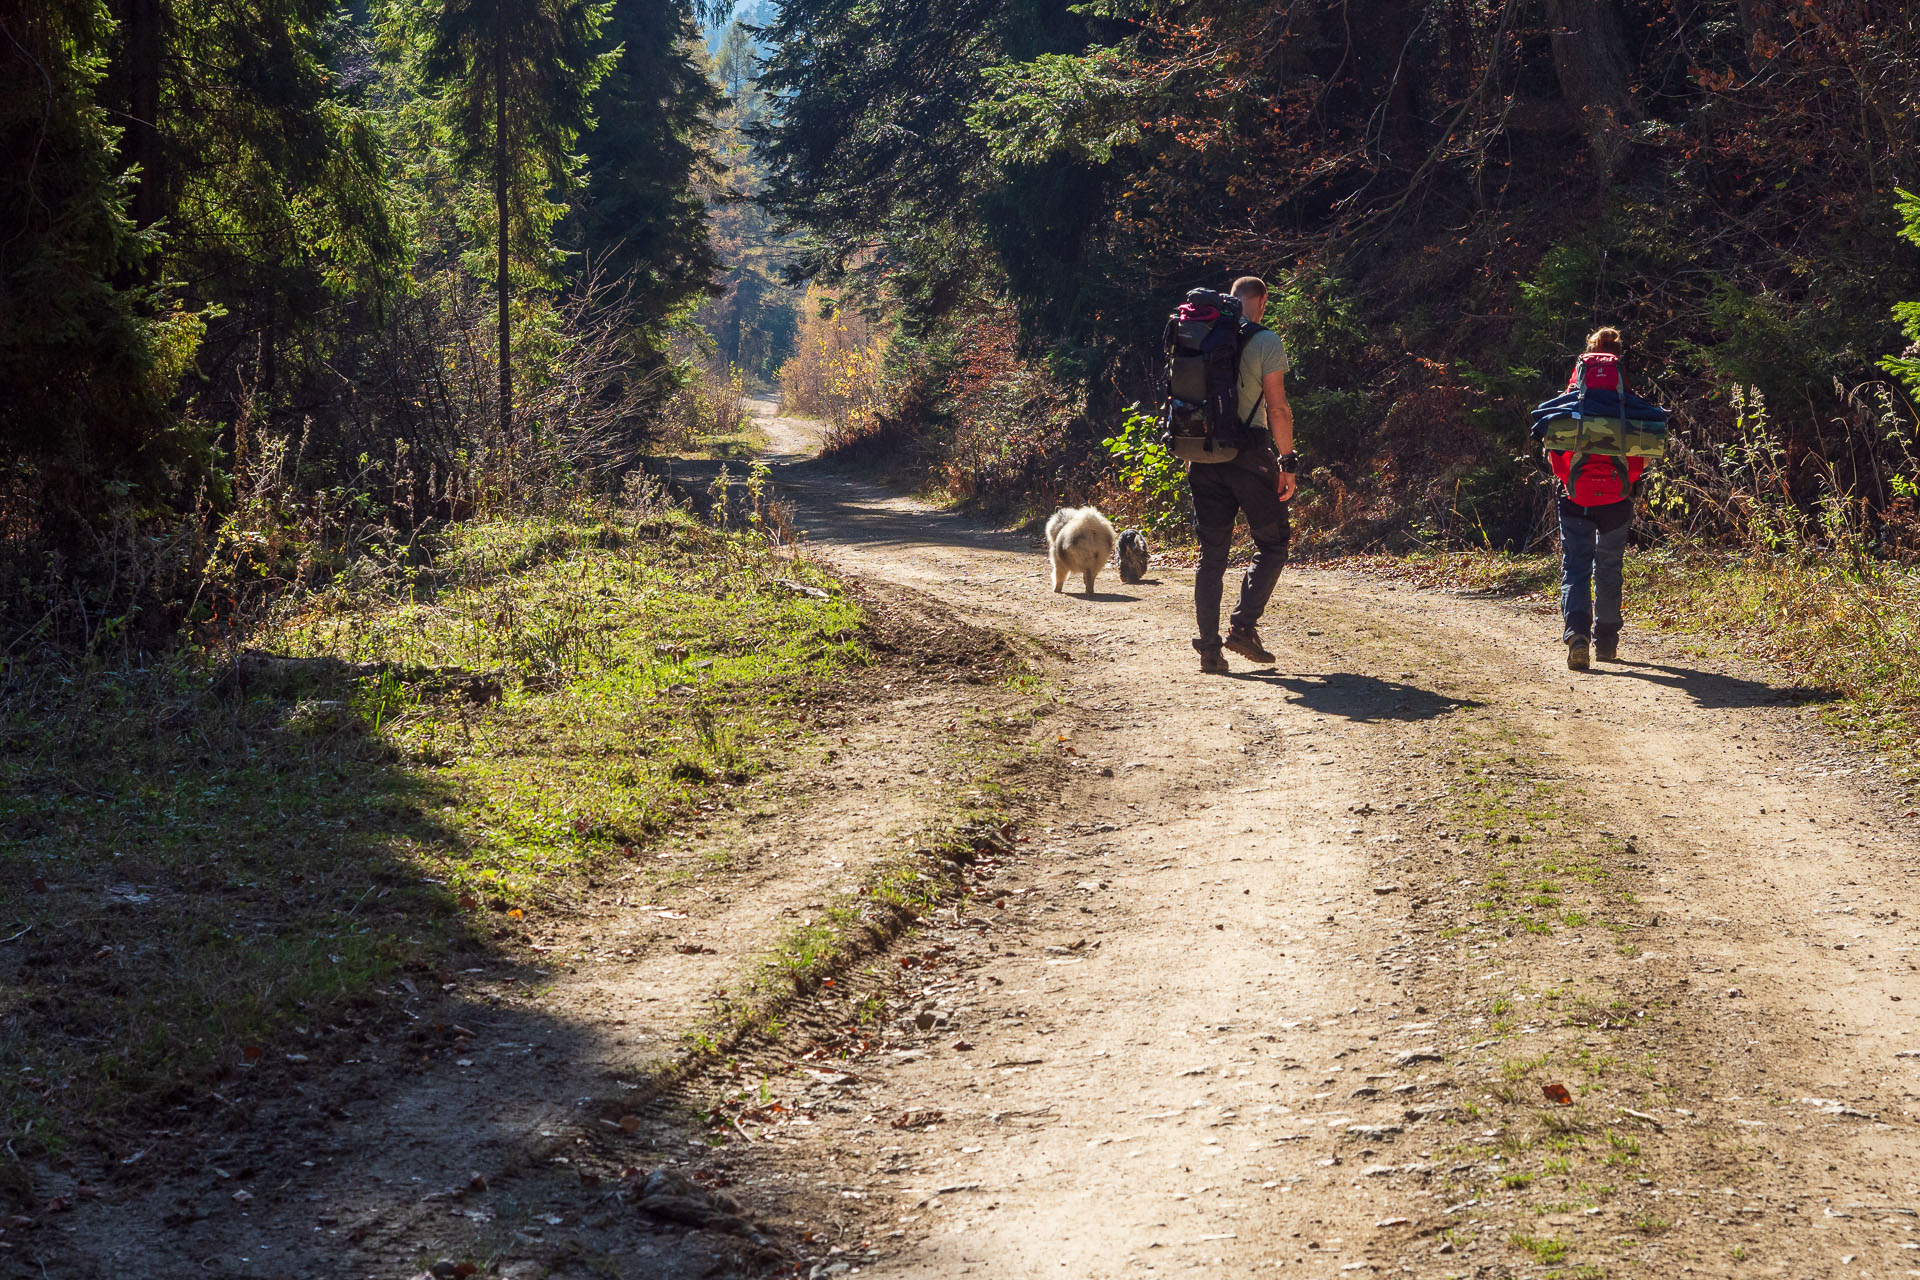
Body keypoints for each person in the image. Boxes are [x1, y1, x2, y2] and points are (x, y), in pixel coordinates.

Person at [1191, 275, 1297, 675]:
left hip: (1201, 457)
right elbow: (1278, 408)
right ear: (1262, 301)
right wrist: (1287, 462)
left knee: (1212, 556)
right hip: (1249, 456)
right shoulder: (1265, 340)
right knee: (1273, 543)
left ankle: (1209, 651)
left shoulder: (1199, 332)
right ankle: (1242, 627)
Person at [1550, 326, 1645, 670]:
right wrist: (1622, 482)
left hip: (1575, 495)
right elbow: (1641, 452)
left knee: (1575, 566)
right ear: (1619, 356)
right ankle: (1606, 641)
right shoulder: (1627, 402)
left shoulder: (1572, 399)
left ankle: (1577, 636)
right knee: (1609, 566)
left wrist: (1570, 480)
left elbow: (1555, 448)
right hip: (1617, 499)